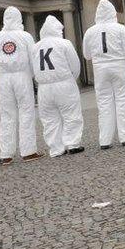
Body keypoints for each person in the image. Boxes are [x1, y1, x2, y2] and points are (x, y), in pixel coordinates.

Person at [0, 6, 42, 164]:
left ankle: (6, 154)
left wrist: (2, 69)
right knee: (26, 112)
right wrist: (33, 76)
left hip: (4, 78)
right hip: (22, 75)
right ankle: (28, 151)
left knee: (6, 115)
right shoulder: (25, 36)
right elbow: (33, 58)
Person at [82, 0, 125, 149]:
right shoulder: (120, 29)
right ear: (113, 12)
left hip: (100, 68)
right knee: (123, 100)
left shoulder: (90, 31)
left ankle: (105, 140)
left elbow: (86, 55)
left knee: (104, 103)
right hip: (119, 65)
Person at [31, 16, 84, 157]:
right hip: (64, 83)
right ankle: (73, 144)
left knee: (49, 119)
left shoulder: (35, 47)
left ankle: (56, 149)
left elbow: (32, 68)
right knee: (71, 114)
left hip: (43, 87)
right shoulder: (64, 43)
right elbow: (75, 65)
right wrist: (71, 80)